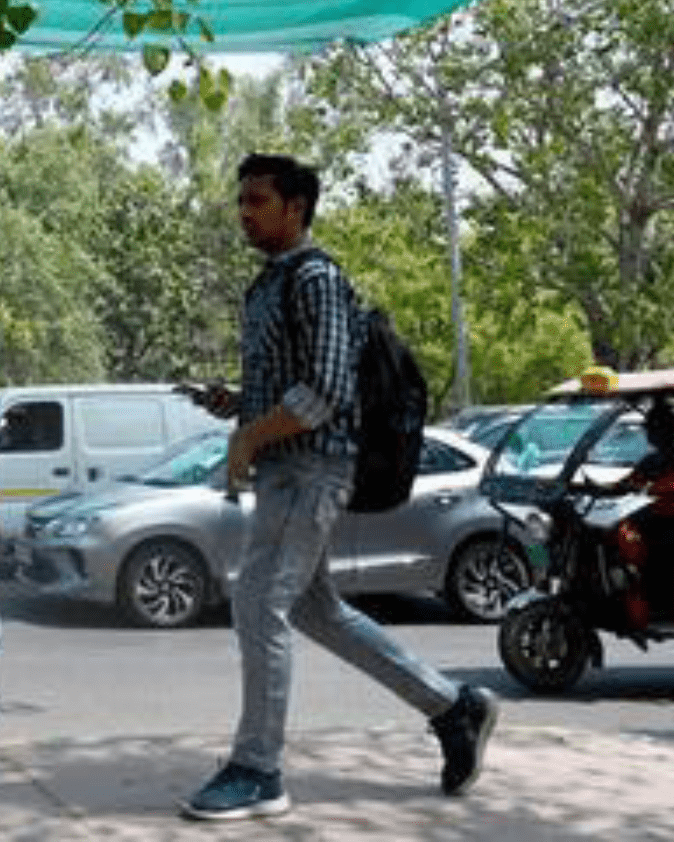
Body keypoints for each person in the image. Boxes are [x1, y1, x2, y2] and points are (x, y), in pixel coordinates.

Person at [179, 153, 496, 822]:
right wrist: (236, 405)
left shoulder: (317, 277)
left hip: (310, 472)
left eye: (257, 200)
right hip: (285, 472)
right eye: (241, 199)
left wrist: (248, 437)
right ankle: (453, 707)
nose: (243, 211)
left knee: (259, 602)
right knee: (316, 610)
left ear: (295, 207)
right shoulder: (271, 283)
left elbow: (324, 392)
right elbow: (295, 385)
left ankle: (258, 768)